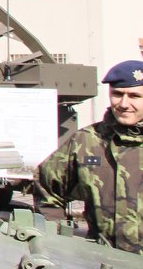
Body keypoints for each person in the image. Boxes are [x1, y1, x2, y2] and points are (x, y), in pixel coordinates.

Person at [34, 59, 143, 254]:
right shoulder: (86, 141)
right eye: (117, 94)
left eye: (135, 96)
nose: (124, 104)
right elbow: (47, 185)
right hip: (102, 261)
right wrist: (56, 240)